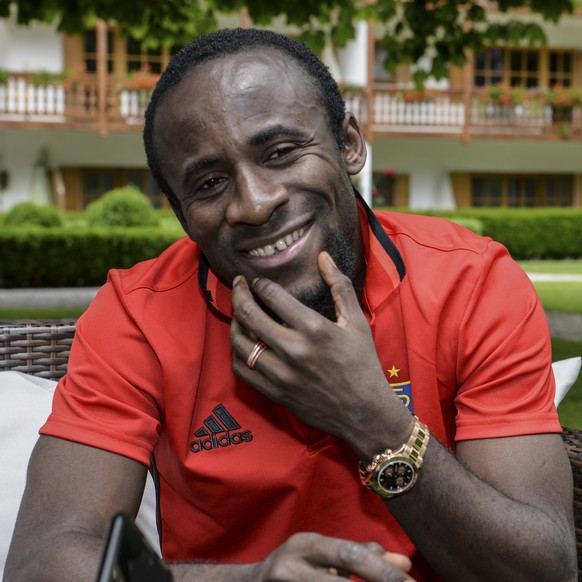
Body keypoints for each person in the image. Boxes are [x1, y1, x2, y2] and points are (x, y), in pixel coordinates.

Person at [5, 27, 576, 582]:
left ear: (348, 144)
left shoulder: (471, 284)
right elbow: (40, 564)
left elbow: (544, 568)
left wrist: (370, 417)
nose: (254, 204)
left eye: (280, 152)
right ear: (182, 215)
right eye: (208, 184)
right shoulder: (136, 316)